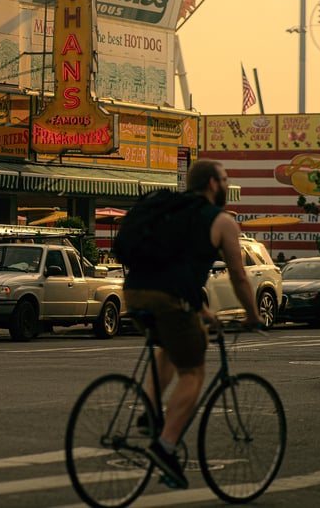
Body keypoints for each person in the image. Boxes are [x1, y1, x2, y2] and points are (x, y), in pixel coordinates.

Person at [123, 159, 262, 490]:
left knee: (173, 345)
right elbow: (240, 278)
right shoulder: (222, 221)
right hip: (169, 299)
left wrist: (202, 309)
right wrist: (254, 315)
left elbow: (172, 263)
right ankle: (166, 445)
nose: (227, 185)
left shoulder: (170, 209)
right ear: (213, 184)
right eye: (226, 179)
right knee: (194, 370)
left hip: (134, 293)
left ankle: (150, 412)